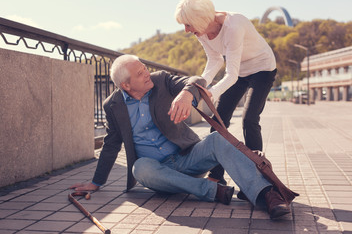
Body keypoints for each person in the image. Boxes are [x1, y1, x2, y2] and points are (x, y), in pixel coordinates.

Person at [70, 54, 291, 219]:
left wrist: (186, 94)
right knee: (140, 168)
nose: (146, 73)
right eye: (139, 74)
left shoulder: (160, 80)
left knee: (216, 140)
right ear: (125, 85)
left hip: (189, 157)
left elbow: (197, 80)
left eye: (144, 68)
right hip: (158, 173)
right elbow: (110, 144)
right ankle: (214, 191)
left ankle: (266, 195)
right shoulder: (113, 105)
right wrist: (96, 182)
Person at [175, 0, 277, 186]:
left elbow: (231, 74)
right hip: (239, 71)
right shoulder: (202, 32)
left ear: (200, 19)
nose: (186, 30)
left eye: (188, 25)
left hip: (262, 68)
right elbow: (215, 60)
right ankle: (216, 175)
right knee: (218, 121)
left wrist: (212, 92)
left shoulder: (234, 25)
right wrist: (201, 85)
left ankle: (259, 178)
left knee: (249, 119)